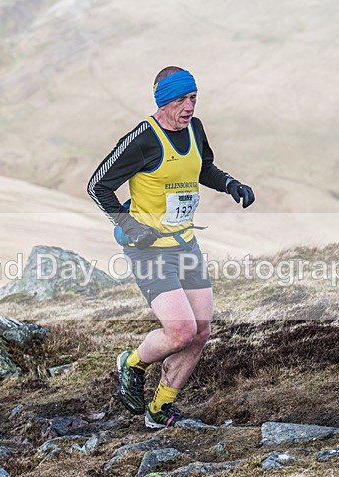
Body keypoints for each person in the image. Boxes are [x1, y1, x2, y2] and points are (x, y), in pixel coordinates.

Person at [87, 66, 255, 428]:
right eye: (180, 99)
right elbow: (97, 186)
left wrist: (230, 184)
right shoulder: (142, 140)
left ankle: (160, 408)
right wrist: (129, 226)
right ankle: (131, 363)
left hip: (185, 245)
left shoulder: (194, 129)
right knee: (180, 331)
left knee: (201, 332)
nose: (189, 106)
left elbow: (202, 167)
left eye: (193, 98)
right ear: (163, 102)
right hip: (148, 249)